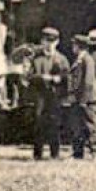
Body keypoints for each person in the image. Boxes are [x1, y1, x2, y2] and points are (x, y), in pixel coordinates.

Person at [26, 28, 69, 159]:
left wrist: (59, 79)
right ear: (42, 42)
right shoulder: (36, 59)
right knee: (39, 122)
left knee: (55, 122)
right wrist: (41, 77)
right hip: (40, 95)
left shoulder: (61, 59)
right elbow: (29, 76)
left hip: (55, 95)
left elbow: (67, 76)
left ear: (57, 42)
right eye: (47, 41)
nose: (50, 44)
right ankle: (37, 154)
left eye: (53, 41)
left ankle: (54, 153)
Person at [67, 30, 96, 159]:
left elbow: (88, 81)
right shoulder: (80, 59)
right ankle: (78, 153)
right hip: (82, 98)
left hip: (89, 99)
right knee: (78, 126)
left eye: (74, 45)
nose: (73, 48)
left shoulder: (87, 60)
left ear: (79, 46)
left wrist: (83, 100)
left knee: (92, 126)